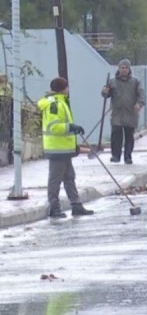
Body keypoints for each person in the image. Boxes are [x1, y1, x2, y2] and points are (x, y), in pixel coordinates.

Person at [37, 77, 95, 218]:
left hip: (64, 148)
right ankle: (54, 208)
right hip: (57, 148)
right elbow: (54, 127)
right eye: (66, 87)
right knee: (55, 179)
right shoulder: (54, 104)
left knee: (69, 177)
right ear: (62, 89)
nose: (68, 90)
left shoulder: (61, 102)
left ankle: (76, 205)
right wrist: (71, 127)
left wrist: (72, 132)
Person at [101, 59, 145, 164]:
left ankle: (128, 156)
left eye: (126, 68)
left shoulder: (135, 81)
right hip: (117, 113)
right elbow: (106, 95)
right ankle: (115, 155)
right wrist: (105, 91)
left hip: (131, 113)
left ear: (129, 69)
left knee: (129, 136)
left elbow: (141, 94)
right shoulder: (112, 81)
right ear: (118, 69)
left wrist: (139, 104)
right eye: (122, 68)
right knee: (116, 135)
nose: (124, 70)